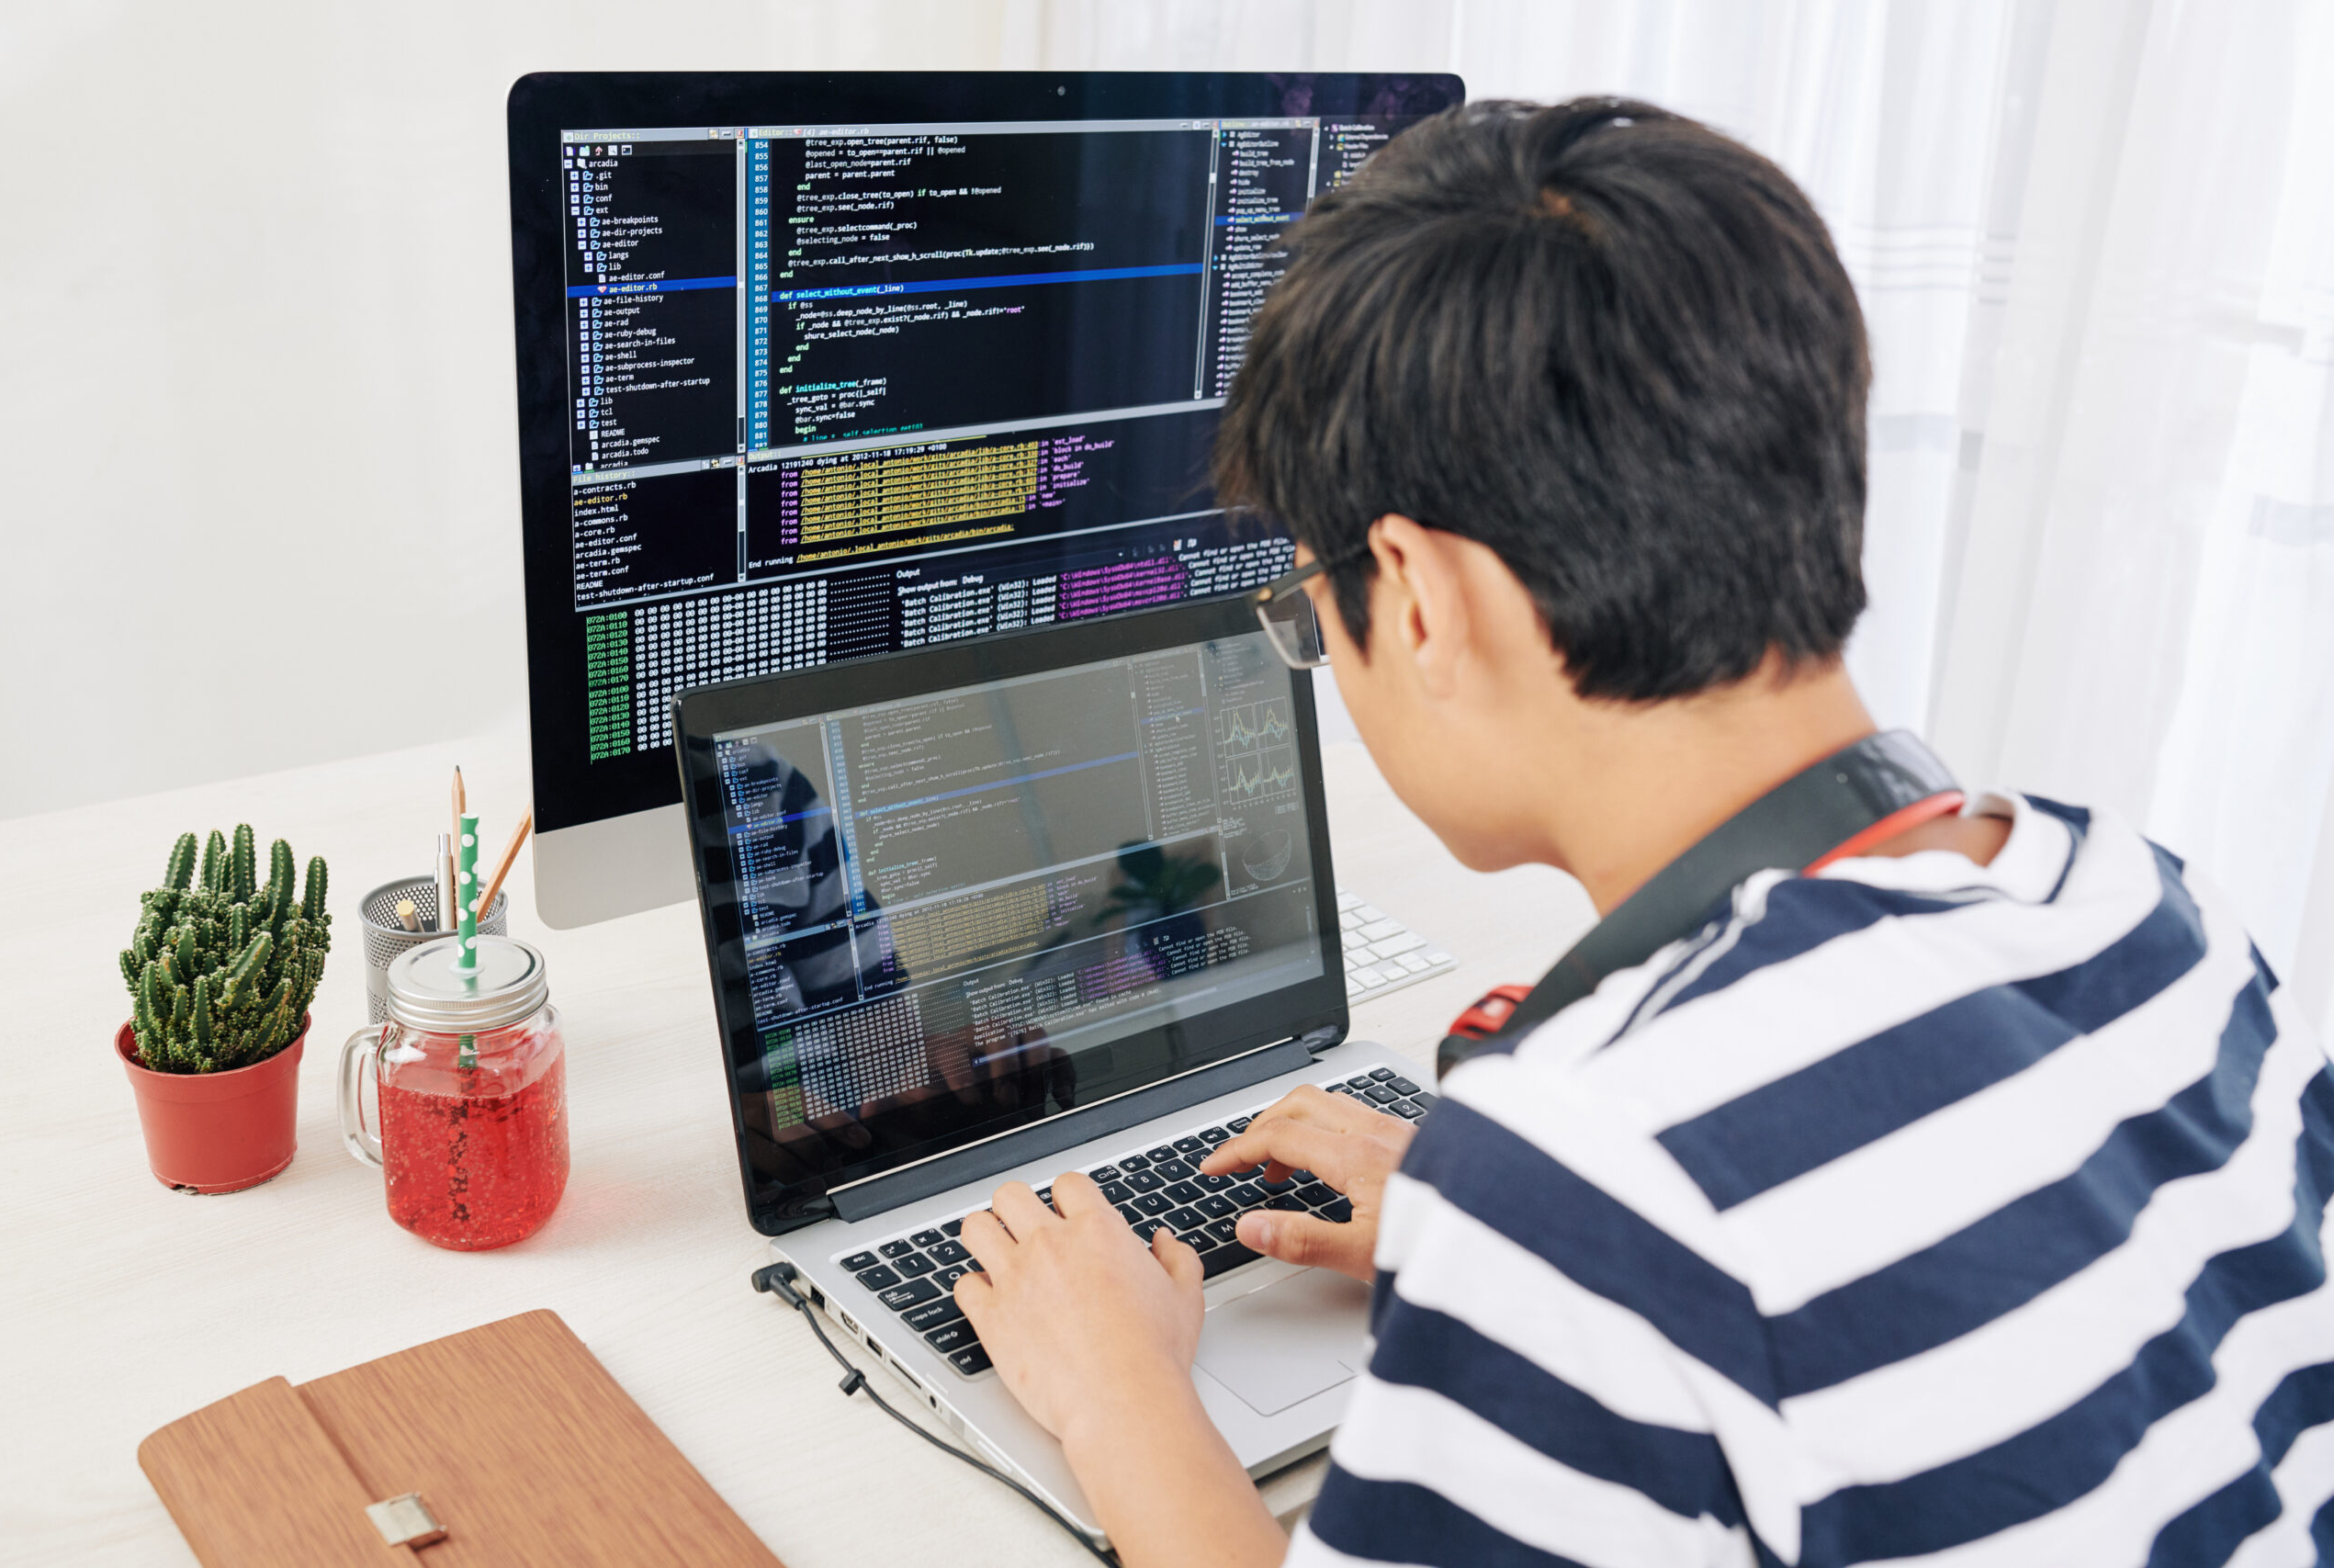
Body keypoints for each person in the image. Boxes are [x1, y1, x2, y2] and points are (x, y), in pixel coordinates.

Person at [950, 97, 2334, 1566]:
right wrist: (1491, 1240)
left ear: (1417, 599)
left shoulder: (1593, 1170)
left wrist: (1115, 1390)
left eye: (1308, 613)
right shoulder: (2144, 901)